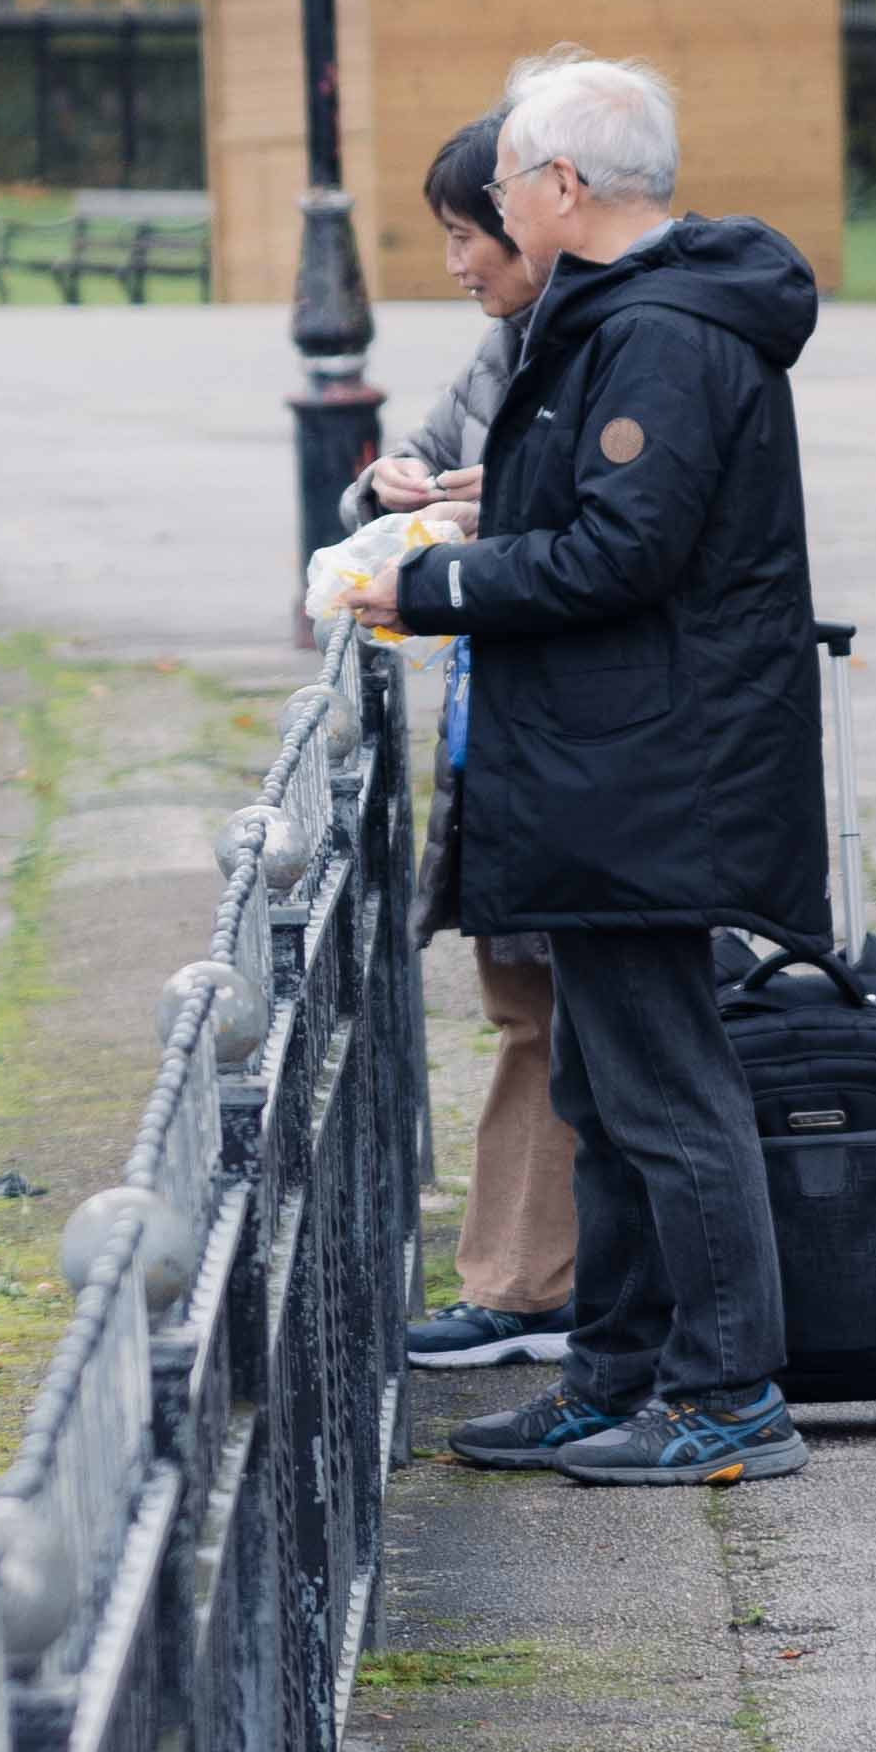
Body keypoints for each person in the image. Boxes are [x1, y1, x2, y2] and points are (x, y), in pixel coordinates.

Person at [320, 46, 831, 1489]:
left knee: (669, 1092)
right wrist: (496, 500)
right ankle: (611, 1379)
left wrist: (424, 591)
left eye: (497, 187)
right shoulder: (619, 316)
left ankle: (733, 1395)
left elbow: (628, 553)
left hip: (653, 776)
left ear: (559, 187)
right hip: (617, 769)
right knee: (607, 1093)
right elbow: (618, 508)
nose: (486, 207)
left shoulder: (662, 330)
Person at [365, 112, 578, 1394]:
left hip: (566, 735)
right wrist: (395, 482)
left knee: (553, 1013)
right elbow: (419, 463)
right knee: (527, 1006)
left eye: (465, 233)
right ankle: (522, 1287)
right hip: (501, 724)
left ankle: (525, 1291)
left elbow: (602, 525)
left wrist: (490, 511)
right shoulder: (507, 345)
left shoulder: (598, 341)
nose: (453, 261)